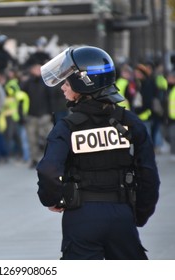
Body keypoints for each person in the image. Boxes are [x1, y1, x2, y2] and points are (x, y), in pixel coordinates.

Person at [36, 46, 160, 259]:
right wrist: (137, 215)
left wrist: (52, 200)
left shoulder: (66, 127)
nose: (63, 87)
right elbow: (149, 176)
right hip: (122, 214)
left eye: (67, 82)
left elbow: (48, 169)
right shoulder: (131, 122)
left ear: (82, 83)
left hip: (81, 217)